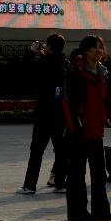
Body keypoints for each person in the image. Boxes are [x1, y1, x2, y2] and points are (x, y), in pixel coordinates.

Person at [64, 35, 111, 221]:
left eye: (101, 47)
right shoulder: (76, 73)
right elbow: (70, 105)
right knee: (77, 174)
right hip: (79, 132)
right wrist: (76, 127)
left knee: (98, 173)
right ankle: (77, 212)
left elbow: (109, 101)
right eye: (95, 47)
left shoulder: (102, 73)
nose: (99, 51)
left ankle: (101, 211)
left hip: (96, 131)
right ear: (85, 50)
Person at [16, 34, 68, 195]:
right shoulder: (65, 64)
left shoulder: (43, 63)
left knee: (37, 150)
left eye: (46, 45)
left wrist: (32, 52)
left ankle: (30, 185)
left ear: (50, 47)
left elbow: (22, 72)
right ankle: (60, 183)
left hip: (44, 113)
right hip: (60, 113)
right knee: (61, 149)